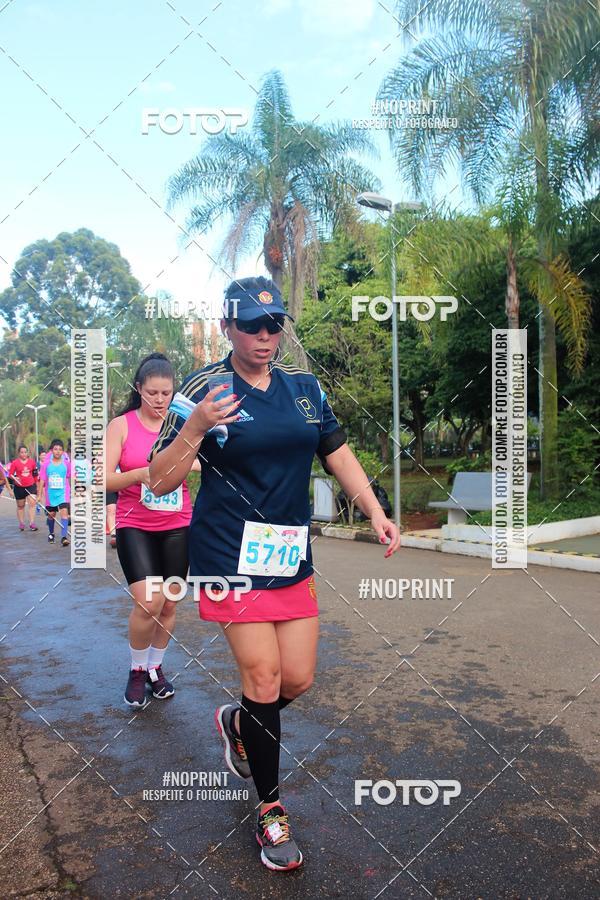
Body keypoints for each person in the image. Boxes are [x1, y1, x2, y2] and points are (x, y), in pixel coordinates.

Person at [149, 277, 401, 872]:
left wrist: (376, 511)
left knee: (298, 679)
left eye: (274, 325)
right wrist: (194, 428)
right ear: (226, 327)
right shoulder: (202, 388)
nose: (265, 336)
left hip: (287, 555)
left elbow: (336, 453)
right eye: (252, 325)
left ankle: (238, 723)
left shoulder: (305, 390)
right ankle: (270, 809)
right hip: (226, 556)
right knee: (263, 679)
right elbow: (159, 482)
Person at [106, 353, 196, 708]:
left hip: (177, 523)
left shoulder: (182, 425)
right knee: (148, 602)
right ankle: (136, 671)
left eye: (167, 393)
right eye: (153, 393)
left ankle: (156, 668)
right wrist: (141, 474)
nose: (160, 400)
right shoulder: (122, 425)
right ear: (139, 390)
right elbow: (104, 478)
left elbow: (205, 459)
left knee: (170, 603)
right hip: (135, 524)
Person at [39, 440, 71, 545]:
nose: (58, 451)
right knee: (51, 515)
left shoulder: (66, 463)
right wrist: (39, 495)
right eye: (56, 449)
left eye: (60, 449)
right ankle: (51, 533)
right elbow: (42, 480)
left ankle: (64, 537)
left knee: (64, 513)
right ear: (52, 451)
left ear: (63, 451)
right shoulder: (46, 464)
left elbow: (71, 477)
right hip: (51, 494)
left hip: (63, 493)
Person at [8, 445, 39, 531]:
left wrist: (37, 486)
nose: (24, 454)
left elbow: (35, 475)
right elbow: (10, 474)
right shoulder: (15, 463)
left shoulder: (32, 462)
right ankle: (21, 523)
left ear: (27, 453)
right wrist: (15, 478)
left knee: (32, 504)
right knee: (20, 506)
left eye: (25, 452)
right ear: (19, 453)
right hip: (19, 487)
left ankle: (32, 523)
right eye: (22, 452)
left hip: (31, 486)